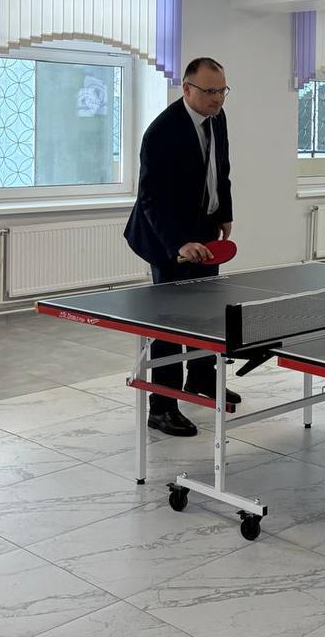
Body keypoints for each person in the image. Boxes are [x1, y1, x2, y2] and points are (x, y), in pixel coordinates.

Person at [124, 57, 238, 437]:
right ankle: (162, 406)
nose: (217, 98)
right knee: (171, 323)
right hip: (166, 237)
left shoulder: (217, 118)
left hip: (204, 229)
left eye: (222, 90)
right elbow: (151, 199)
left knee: (206, 313)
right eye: (209, 91)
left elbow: (220, 170)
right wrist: (179, 242)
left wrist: (223, 213)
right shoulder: (161, 132)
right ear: (187, 89)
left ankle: (201, 378)